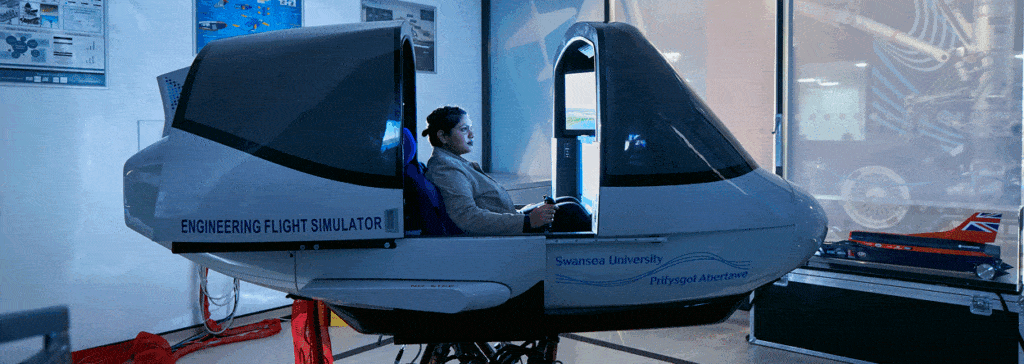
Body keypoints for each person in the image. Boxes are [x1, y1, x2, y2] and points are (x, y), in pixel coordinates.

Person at [422, 106, 591, 235]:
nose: (472, 135)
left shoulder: (453, 162)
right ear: (443, 136)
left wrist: (525, 210)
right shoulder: (446, 169)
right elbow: (468, 218)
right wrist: (527, 221)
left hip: (509, 222)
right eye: (464, 129)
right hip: (498, 240)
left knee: (568, 201)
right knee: (570, 211)